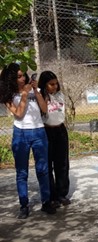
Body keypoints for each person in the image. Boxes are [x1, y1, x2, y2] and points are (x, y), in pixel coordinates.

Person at [0, 63, 56, 219]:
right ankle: (24, 205)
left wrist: (36, 91)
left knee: (43, 169)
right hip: (21, 134)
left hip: (39, 132)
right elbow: (18, 113)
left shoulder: (35, 90)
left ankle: (46, 202)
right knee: (22, 172)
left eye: (23, 75)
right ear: (11, 79)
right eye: (18, 76)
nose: (23, 78)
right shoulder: (8, 95)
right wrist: (24, 94)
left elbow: (45, 109)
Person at [38, 71, 71, 207]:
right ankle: (51, 196)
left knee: (62, 163)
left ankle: (61, 193)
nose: (55, 86)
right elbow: (44, 112)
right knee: (48, 164)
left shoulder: (60, 95)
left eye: (56, 84)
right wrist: (43, 95)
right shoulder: (40, 97)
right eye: (51, 84)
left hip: (60, 130)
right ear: (45, 85)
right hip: (47, 131)